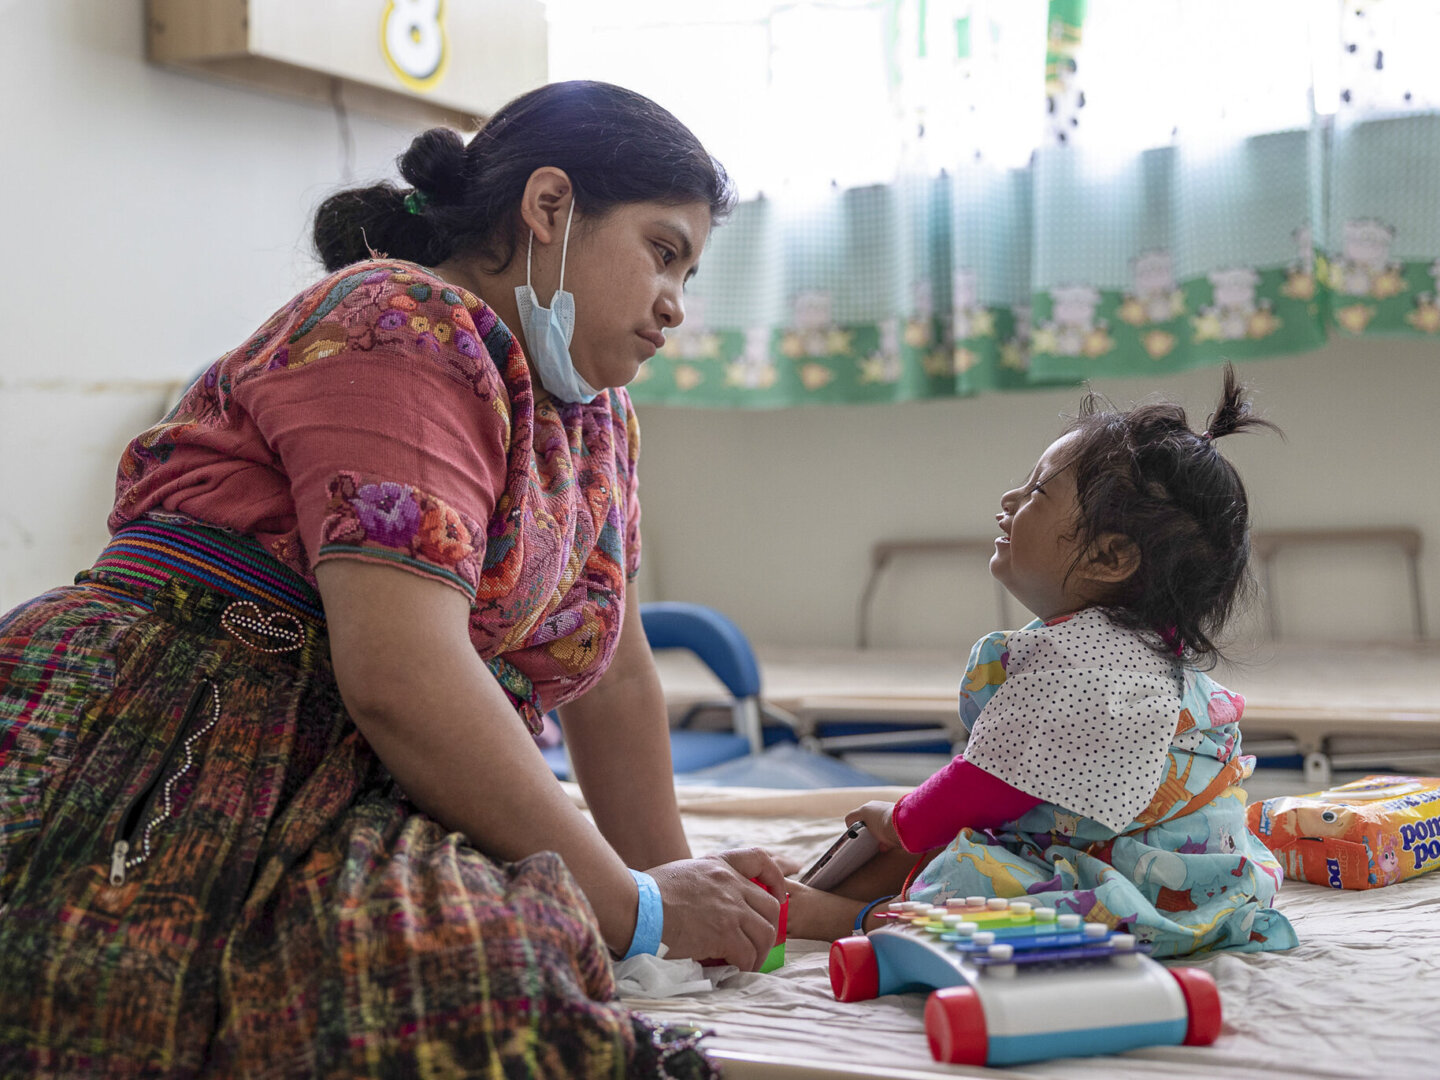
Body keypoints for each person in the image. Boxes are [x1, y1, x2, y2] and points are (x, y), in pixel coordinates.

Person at [0, 80, 785, 1078]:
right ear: (550, 208)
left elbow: (619, 680)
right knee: (445, 998)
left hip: (362, 749)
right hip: (178, 716)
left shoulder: (594, 424)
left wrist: (679, 902)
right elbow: (404, 677)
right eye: (663, 251)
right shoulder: (402, 324)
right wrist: (632, 909)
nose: (678, 304)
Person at [787, 364, 1300, 958]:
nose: (1008, 500)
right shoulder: (1141, 648)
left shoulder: (1083, 670)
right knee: (943, 832)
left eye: (1036, 493)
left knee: (963, 872)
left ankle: (856, 921)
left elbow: (987, 785)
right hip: (1202, 873)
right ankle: (851, 882)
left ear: (1111, 557)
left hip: (1134, 887)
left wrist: (902, 821)